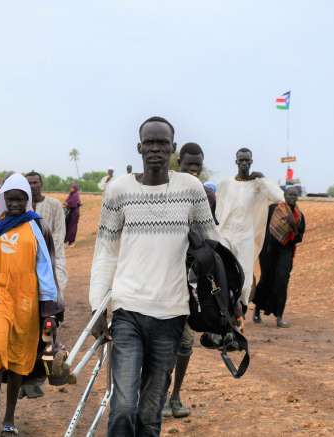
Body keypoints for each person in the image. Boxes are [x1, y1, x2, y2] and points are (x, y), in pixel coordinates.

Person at [89, 117, 219, 436]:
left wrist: (205, 255)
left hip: (172, 314)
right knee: (122, 408)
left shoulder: (191, 189)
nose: (156, 149)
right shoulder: (119, 190)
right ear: (139, 148)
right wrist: (96, 307)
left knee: (149, 416)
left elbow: (214, 244)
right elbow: (105, 251)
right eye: (150, 142)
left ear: (173, 148)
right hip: (127, 311)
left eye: (163, 143)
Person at [0, 173, 61, 437]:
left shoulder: (34, 227)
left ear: (27, 200)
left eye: (21, 199)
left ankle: (9, 418)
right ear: (4, 199)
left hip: (27, 299)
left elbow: (44, 266)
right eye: (11, 199)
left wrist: (49, 307)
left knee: (20, 357)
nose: (16, 204)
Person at [162, 141, 212, 420]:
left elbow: (209, 240)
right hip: (159, 279)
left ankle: (175, 395)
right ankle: (157, 393)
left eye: (198, 167)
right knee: (162, 342)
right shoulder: (164, 191)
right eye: (188, 167)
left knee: (184, 343)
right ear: (178, 164)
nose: (193, 172)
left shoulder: (206, 198)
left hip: (188, 282)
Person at [20, 171, 68, 399]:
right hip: (26, 275)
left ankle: (44, 374)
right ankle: (24, 376)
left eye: (36, 183)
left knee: (49, 326)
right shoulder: (19, 209)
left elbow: (58, 237)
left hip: (51, 267)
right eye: (28, 184)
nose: (33, 187)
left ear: (42, 184)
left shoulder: (54, 206)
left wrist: (51, 271)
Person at [215, 148, 284, 308]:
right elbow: (220, 208)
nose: (244, 163)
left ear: (251, 162)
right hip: (225, 234)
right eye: (241, 160)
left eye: (247, 160)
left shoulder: (258, 185)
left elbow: (279, 197)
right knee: (223, 272)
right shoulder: (226, 183)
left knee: (244, 275)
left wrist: (263, 178)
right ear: (236, 162)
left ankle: (240, 309)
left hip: (246, 235)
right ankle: (223, 308)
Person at [252, 186, 306, 328]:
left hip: (286, 250)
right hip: (268, 249)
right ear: (284, 195)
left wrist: (292, 226)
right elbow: (261, 225)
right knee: (266, 279)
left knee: (282, 281)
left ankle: (279, 317)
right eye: (289, 194)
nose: (292, 197)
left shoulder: (299, 216)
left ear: (298, 196)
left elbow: (299, 237)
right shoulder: (273, 209)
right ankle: (257, 310)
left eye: (295, 194)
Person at [64, 183, 82, 247]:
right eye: (70, 187)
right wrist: (65, 203)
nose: (71, 189)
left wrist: (67, 204)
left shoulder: (76, 195)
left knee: (73, 227)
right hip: (70, 213)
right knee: (68, 226)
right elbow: (67, 201)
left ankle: (72, 242)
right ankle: (67, 241)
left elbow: (73, 204)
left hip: (74, 213)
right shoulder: (71, 194)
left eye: (72, 188)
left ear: (75, 188)